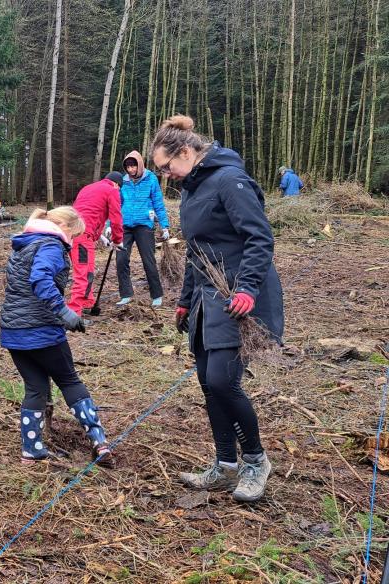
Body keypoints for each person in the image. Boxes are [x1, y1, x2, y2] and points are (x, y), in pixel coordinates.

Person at [152, 114, 283, 503]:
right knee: (209, 382)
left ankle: (256, 461)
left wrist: (247, 289)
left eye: (167, 166)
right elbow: (197, 254)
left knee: (225, 382)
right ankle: (225, 465)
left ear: (187, 152)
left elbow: (259, 238)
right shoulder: (192, 189)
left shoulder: (230, 180)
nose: (166, 175)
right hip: (206, 301)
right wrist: (183, 301)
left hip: (239, 297)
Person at [0, 207, 114, 466]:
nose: (73, 242)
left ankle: (32, 450)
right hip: (41, 330)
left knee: (35, 388)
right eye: (74, 236)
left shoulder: (24, 243)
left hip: (13, 332)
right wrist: (65, 313)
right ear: (63, 227)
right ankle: (100, 442)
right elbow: (40, 279)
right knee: (69, 381)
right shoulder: (51, 245)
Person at [116, 151, 171, 308]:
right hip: (125, 225)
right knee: (121, 260)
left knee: (148, 261)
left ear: (139, 165)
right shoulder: (123, 181)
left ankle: (156, 295)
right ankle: (126, 294)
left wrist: (164, 226)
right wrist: (109, 226)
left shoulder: (150, 179)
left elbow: (158, 203)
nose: (131, 170)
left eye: (133, 166)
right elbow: (115, 204)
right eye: (128, 167)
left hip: (144, 225)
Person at [68, 172, 124, 315]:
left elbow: (88, 213)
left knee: (88, 270)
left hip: (72, 234)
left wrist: (100, 236)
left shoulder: (88, 188)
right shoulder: (112, 190)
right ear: (117, 184)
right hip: (82, 237)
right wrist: (117, 240)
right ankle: (73, 314)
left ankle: (87, 303)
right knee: (82, 274)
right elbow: (116, 217)